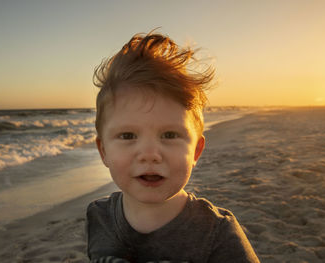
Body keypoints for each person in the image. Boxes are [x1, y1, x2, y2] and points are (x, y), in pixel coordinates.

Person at [86, 31, 260, 263]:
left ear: (196, 151)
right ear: (103, 151)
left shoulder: (217, 233)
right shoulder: (99, 216)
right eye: (128, 135)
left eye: (169, 135)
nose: (149, 155)